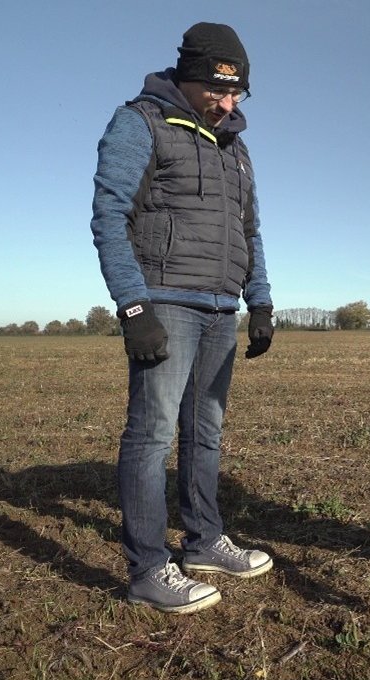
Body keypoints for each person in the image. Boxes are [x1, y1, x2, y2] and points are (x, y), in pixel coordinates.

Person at [90, 21, 274, 613]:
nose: (228, 104)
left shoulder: (235, 147)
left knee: (205, 432)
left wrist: (260, 300)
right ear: (189, 78)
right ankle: (147, 569)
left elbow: (249, 231)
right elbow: (109, 215)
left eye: (237, 93)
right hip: (165, 302)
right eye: (218, 90)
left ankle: (204, 542)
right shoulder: (140, 122)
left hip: (222, 308)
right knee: (151, 435)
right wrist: (133, 306)